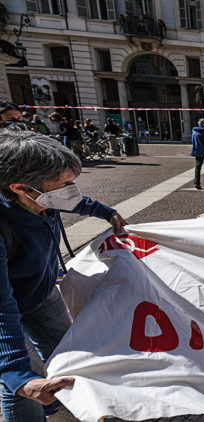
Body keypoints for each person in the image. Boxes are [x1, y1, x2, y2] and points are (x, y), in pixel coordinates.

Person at [0, 129, 127, 422]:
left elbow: (70, 200)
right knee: (19, 382)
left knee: (67, 348)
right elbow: (2, 308)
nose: (71, 190)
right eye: (64, 184)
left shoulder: (43, 197)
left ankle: (51, 399)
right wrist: (20, 377)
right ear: (20, 188)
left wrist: (104, 211)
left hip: (41, 294)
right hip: (8, 309)